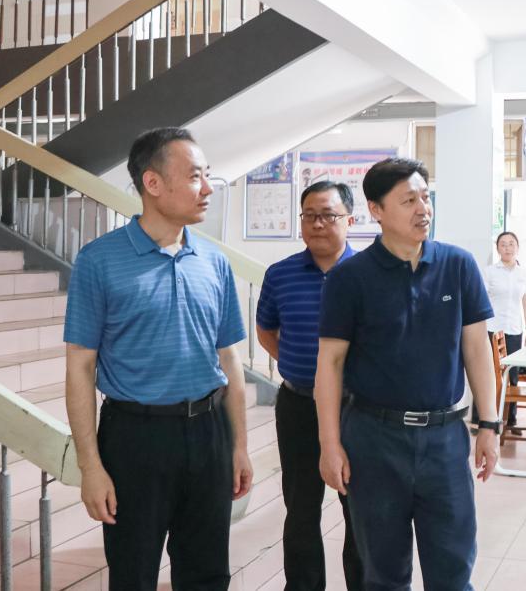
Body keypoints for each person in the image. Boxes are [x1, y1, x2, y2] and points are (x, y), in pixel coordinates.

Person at [64, 128, 252, 590]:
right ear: (152, 183)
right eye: (194, 176)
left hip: (208, 433)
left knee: (208, 573)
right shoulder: (98, 261)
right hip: (135, 439)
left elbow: (229, 360)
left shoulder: (214, 262)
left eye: (207, 176)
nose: (207, 189)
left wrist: (238, 446)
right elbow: (80, 368)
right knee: (133, 574)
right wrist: (91, 468)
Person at [315, 157, 499, 590]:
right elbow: (330, 363)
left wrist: (489, 424)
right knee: (383, 573)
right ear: (376, 210)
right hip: (374, 439)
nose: (423, 209)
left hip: (445, 437)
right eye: (408, 200)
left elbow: (477, 348)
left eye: (425, 197)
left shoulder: (458, 265)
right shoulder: (349, 278)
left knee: (453, 569)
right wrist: (329, 444)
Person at [255, 181, 363, 591]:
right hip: (298, 405)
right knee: (300, 508)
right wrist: (295, 362)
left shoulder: (369, 274)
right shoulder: (280, 274)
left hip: (357, 410)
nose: (318, 224)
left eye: (328, 215)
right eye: (310, 216)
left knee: (359, 509)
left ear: (350, 220)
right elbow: (266, 329)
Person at [481, 231, 526, 432]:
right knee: (489, 375)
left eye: (511, 244)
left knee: (512, 376)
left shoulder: (523, 273)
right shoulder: (489, 272)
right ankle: (486, 419)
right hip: (492, 328)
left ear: (517, 247)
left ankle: (511, 420)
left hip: (514, 329)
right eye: (503, 244)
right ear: (497, 249)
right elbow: (481, 301)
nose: (507, 248)